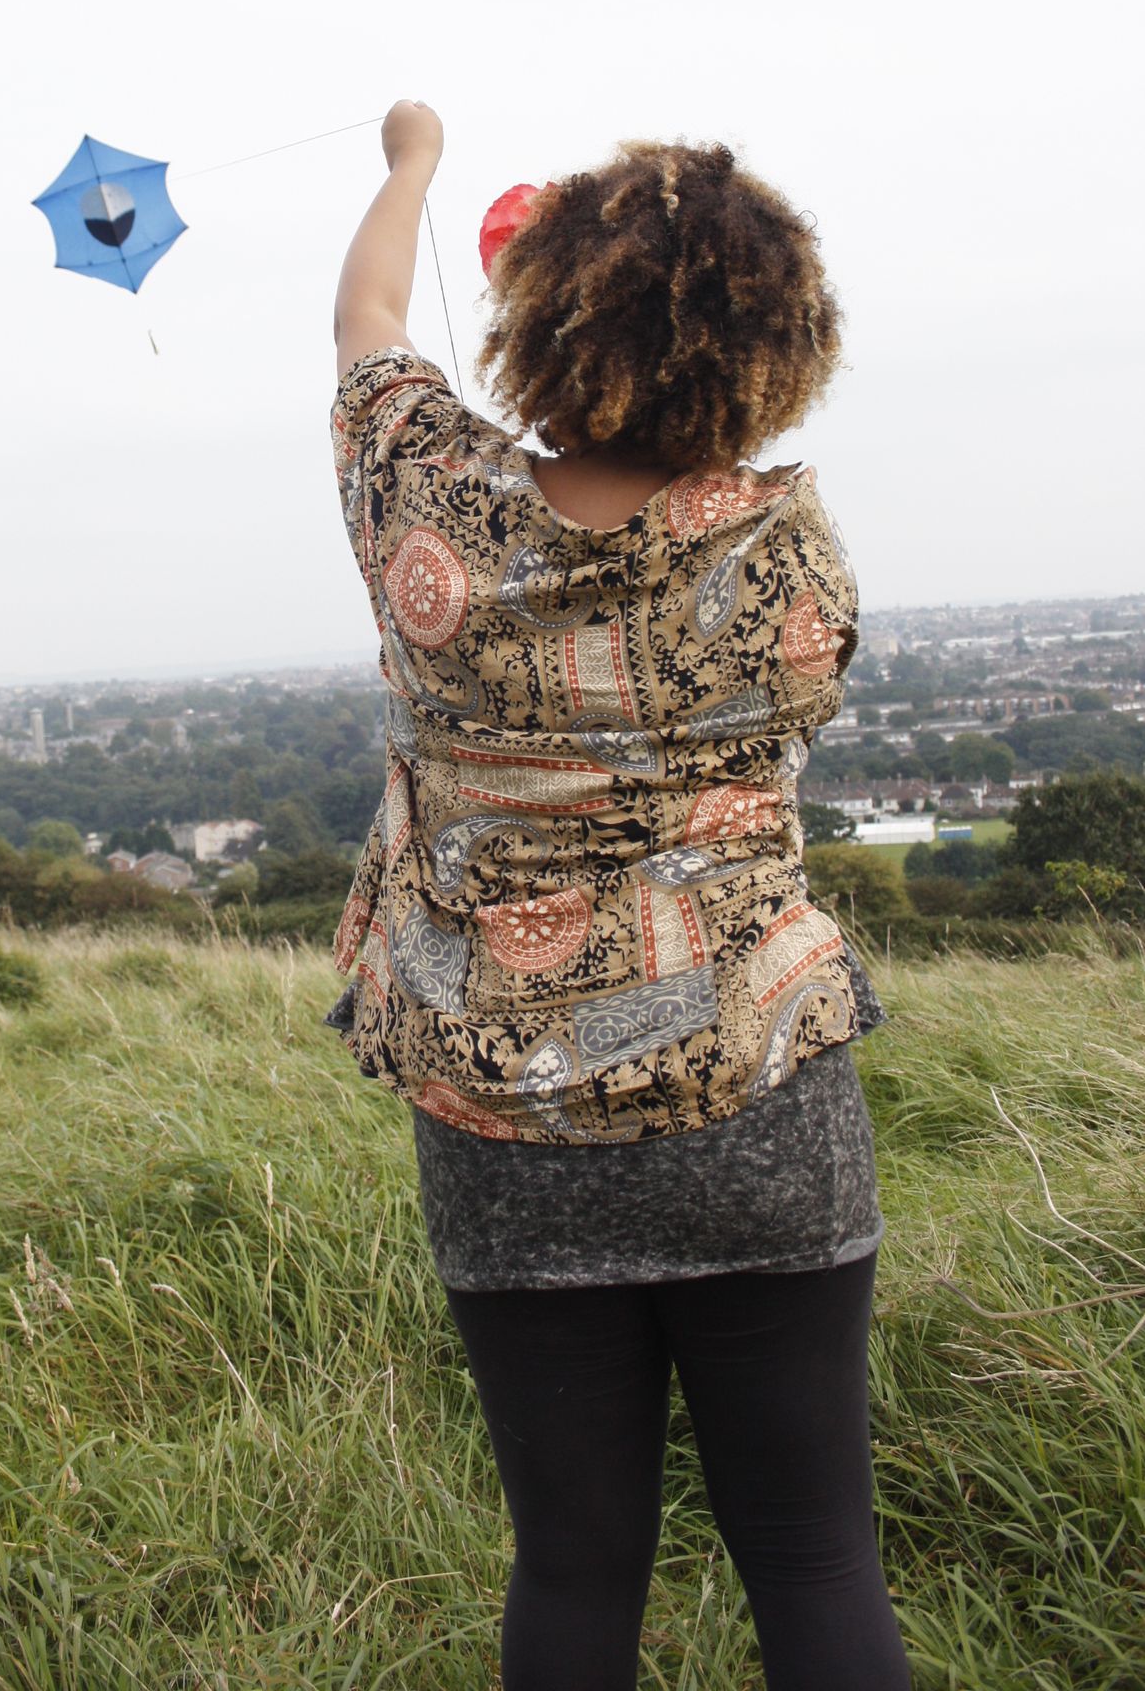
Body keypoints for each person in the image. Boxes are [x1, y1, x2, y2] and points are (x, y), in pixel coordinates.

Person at [324, 100, 911, 1691]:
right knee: (811, 1551)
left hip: (505, 1122)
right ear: (777, 344)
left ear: (536, 325)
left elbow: (368, 322)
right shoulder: (791, 550)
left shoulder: (423, 507)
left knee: (574, 1566)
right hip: (758, 1096)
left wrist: (412, 171)